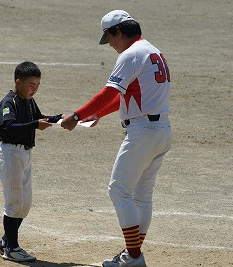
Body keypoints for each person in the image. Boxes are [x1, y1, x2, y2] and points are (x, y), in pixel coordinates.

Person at [61, 10, 171, 267]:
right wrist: (97, 114)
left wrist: (76, 116)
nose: (110, 45)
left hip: (142, 133)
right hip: (161, 130)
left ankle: (133, 256)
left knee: (119, 191)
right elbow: (128, 96)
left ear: (118, 32)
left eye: (109, 38)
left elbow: (108, 92)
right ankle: (132, 254)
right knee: (142, 196)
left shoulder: (130, 54)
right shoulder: (153, 51)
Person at [0, 61, 63, 262]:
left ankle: (6, 241)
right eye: (31, 85)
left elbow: (40, 118)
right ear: (18, 82)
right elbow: (8, 127)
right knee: (14, 203)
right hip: (10, 154)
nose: (35, 89)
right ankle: (12, 249)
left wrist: (61, 118)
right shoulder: (9, 102)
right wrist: (35, 125)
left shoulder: (29, 101)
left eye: (38, 86)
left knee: (25, 205)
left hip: (24, 154)